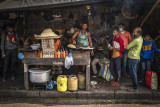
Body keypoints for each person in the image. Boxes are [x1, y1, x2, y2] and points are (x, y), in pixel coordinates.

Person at [126, 27, 143, 92]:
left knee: (133, 73)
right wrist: (131, 47)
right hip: (137, 57)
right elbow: (130, 47)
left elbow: (127, 47)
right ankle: (134, 84)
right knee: (134, 72)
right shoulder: (140, 38)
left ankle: (135, 88)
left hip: (133, 57)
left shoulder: (136, 40)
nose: (133, 33)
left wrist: (130, 47)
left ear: (138, 33)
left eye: (134, 32)